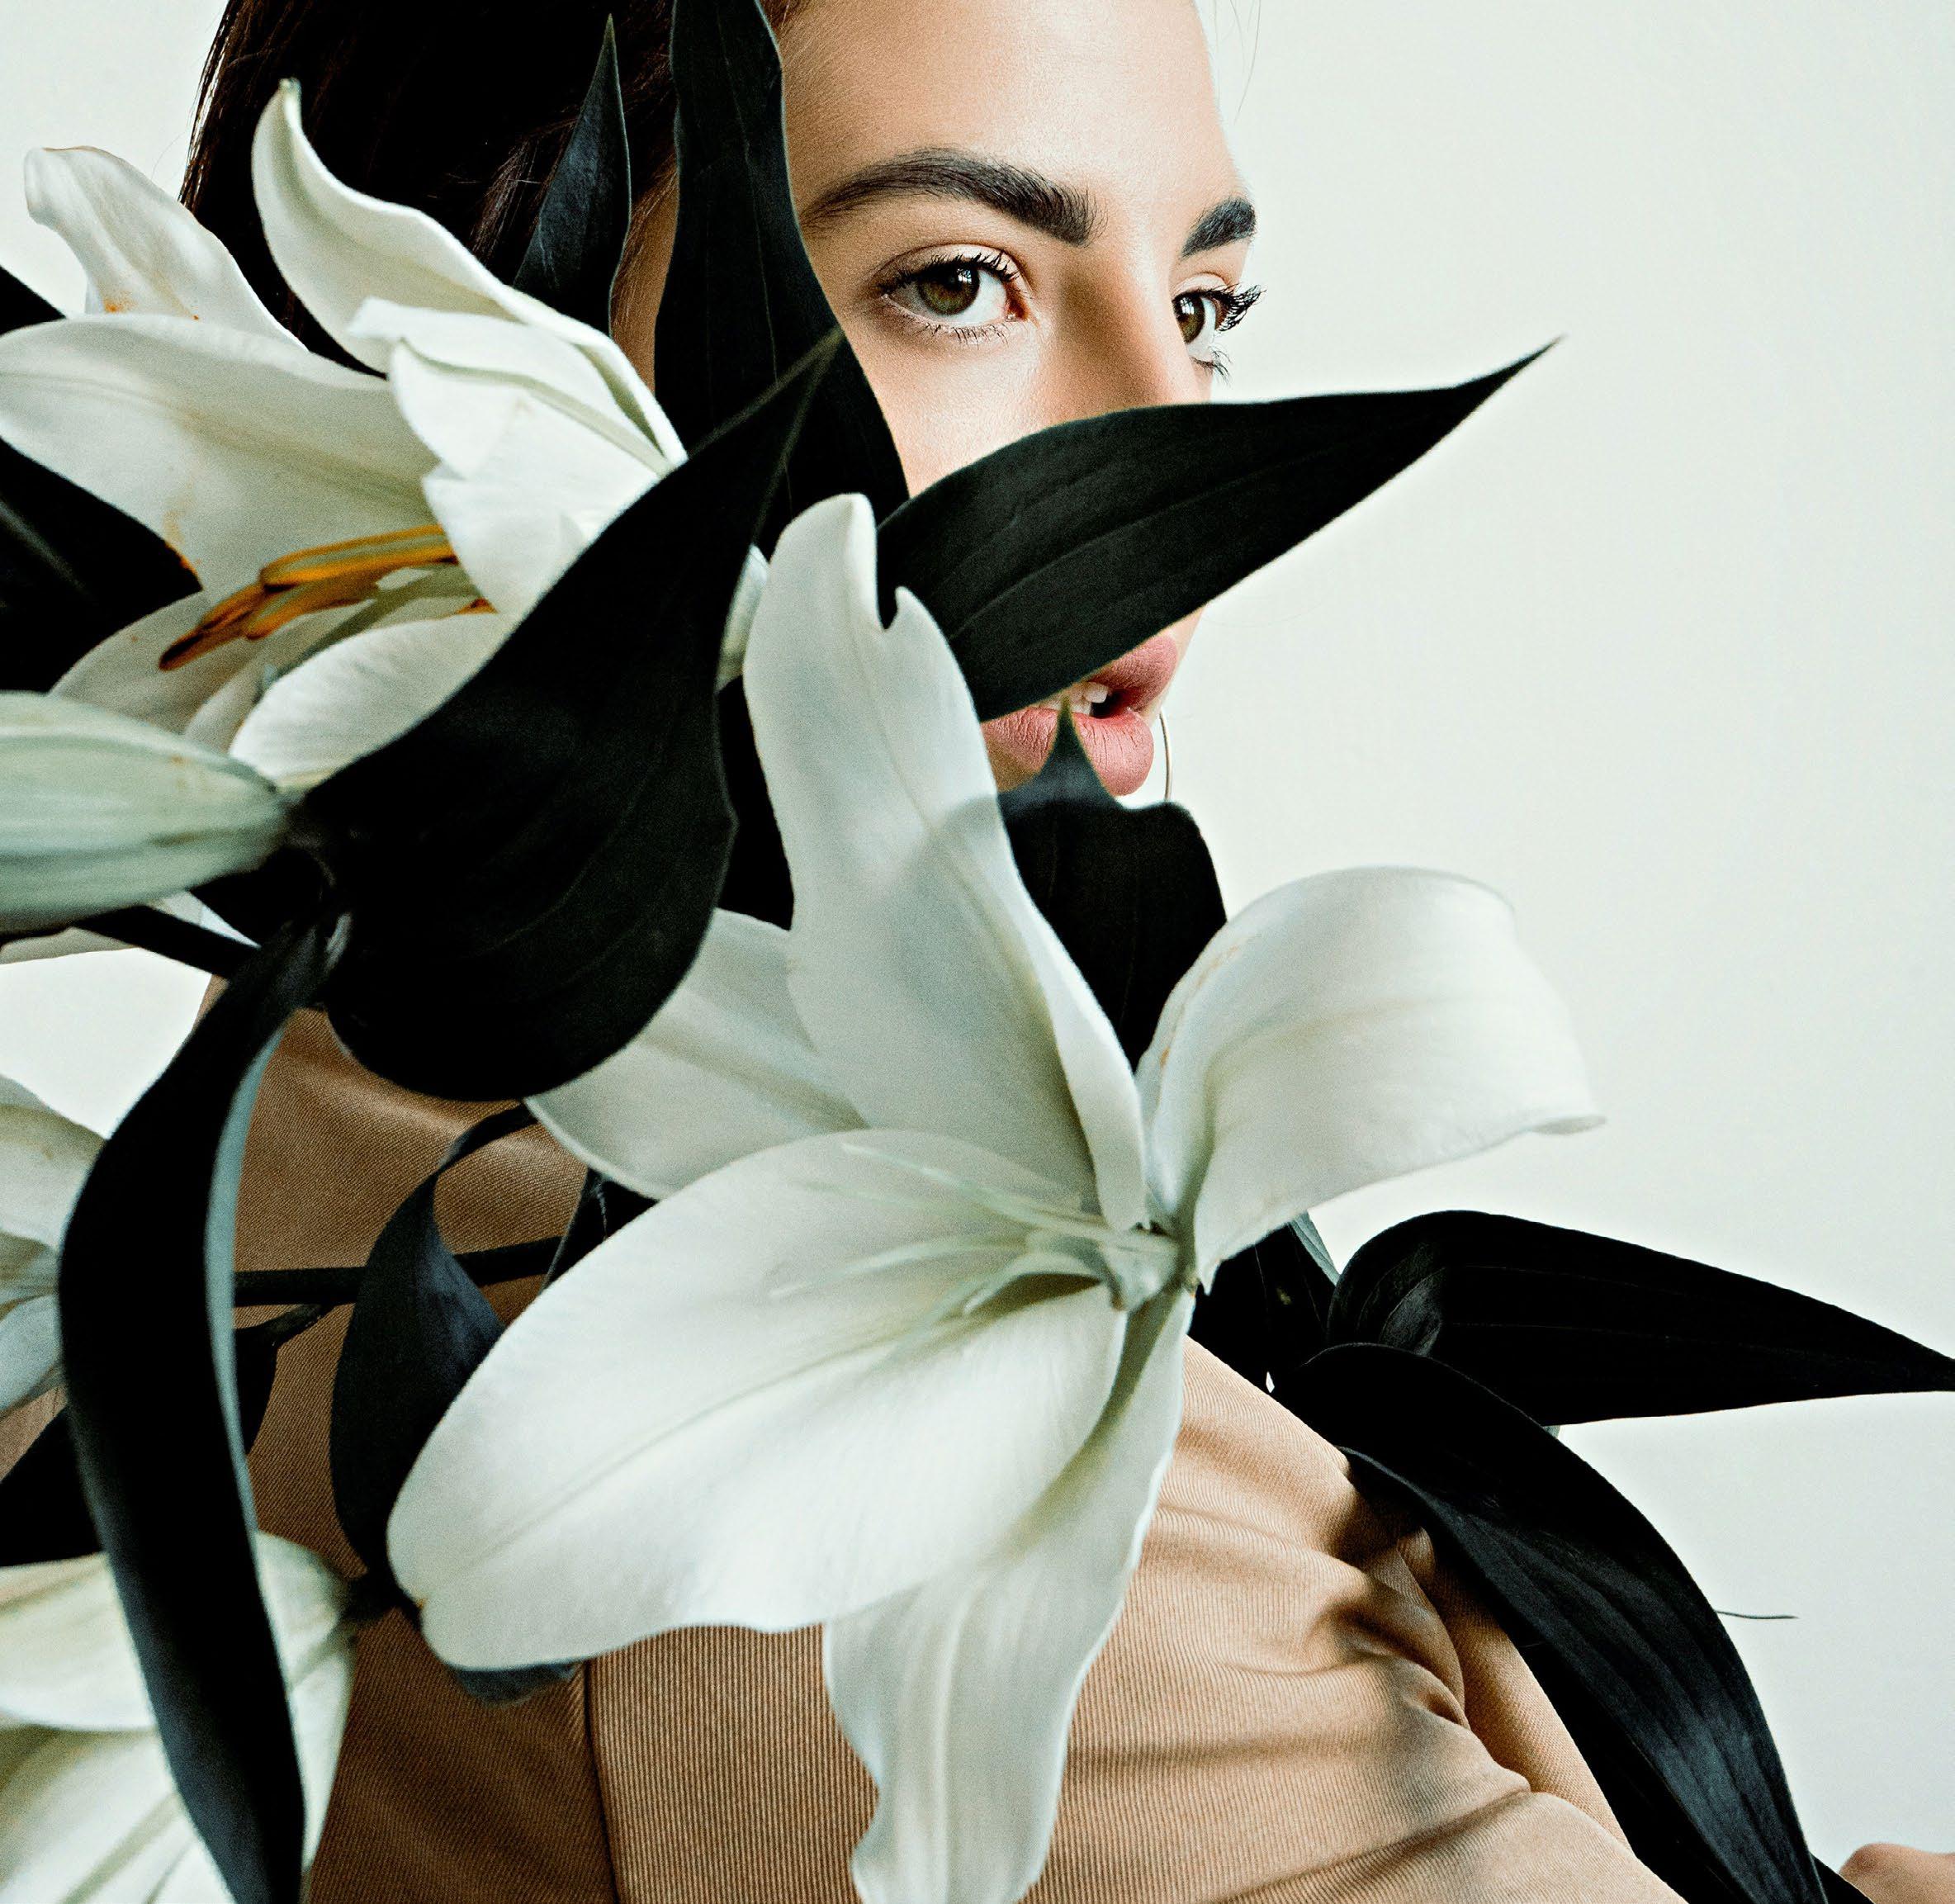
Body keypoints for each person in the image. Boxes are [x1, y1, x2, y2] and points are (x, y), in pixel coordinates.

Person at [25, 0, 1944, 1895]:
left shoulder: (276, 1182)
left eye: (1203, 308)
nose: (1174, 461)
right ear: (468, 311)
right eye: (957, 283)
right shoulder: (863, 1478)